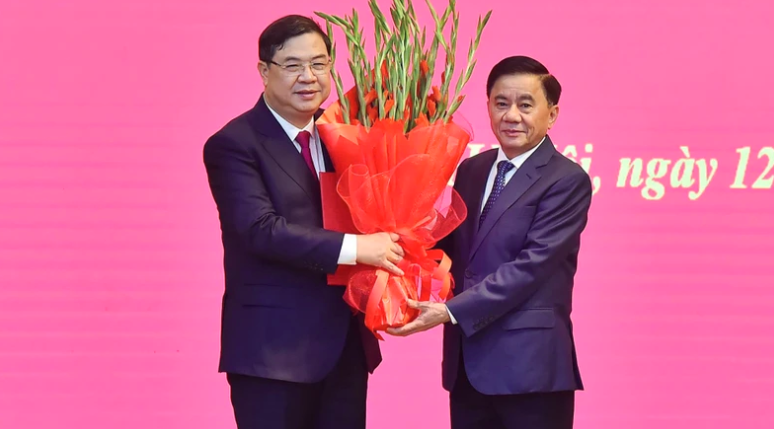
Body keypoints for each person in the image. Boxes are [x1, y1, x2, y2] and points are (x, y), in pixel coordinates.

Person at [202, 14, 405, 429]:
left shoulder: (345, 134)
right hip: (272, 354)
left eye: (319, 64)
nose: (308, 77)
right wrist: (358, 248)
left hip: (343, 349)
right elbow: (260, 230)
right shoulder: (234, 144)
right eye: (292, 65)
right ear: (264, 71)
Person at [387, 55, 592, 429]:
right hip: (467, 365)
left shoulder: (566, 180)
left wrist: (450, 311)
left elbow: (530, 268)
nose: (511, 116)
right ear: (488, 107)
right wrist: (395, 244)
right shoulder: (472, 169)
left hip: (530, 370)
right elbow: (451, 250)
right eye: (501, 103)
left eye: (525, 105)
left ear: (552, 114)